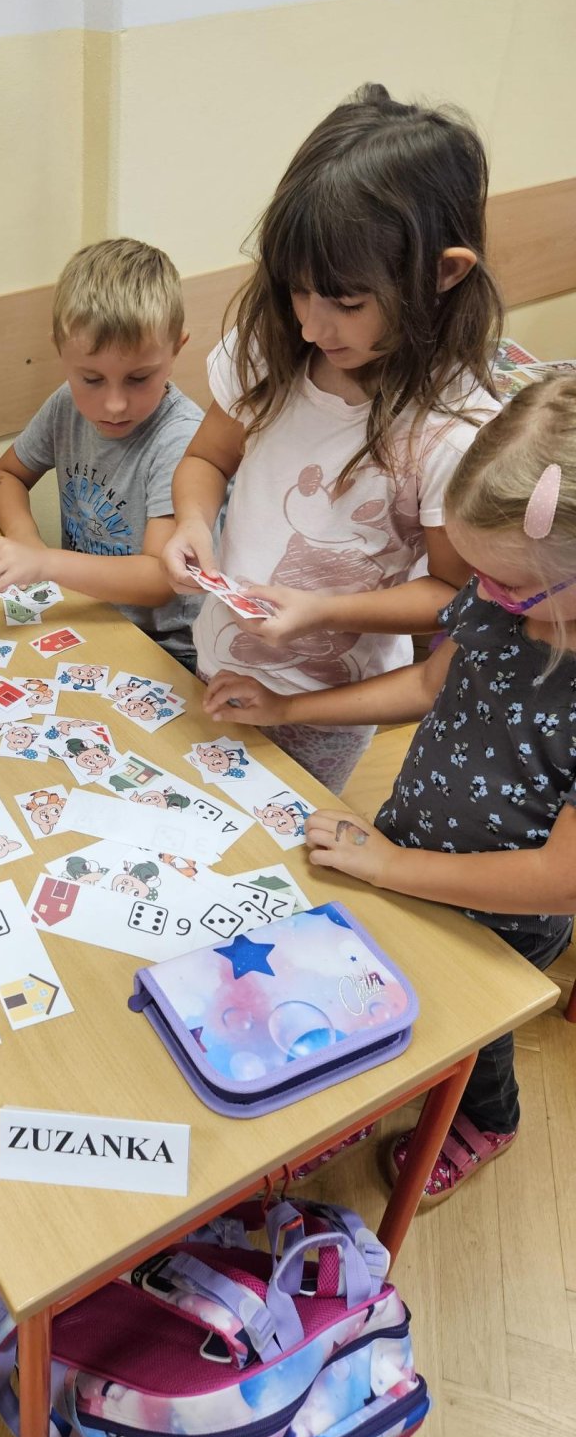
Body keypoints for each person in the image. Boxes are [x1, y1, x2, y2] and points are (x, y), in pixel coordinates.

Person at [203, 376, 576, 1203]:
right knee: (378, 982)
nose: (486, 597)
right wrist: (285, 707)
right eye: (479, 579)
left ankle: (489, 1118)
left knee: (471, 1031)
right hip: (405, 848)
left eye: (510, 585)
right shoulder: (502, 601)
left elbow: (561, 878)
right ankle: (383, 1083)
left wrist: (391, 866)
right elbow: (426, 686)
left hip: (502, 919)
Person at [163, 83, 504, 793]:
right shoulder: (271, 348)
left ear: (443, 273)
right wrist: (192, 522)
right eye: (298, 290)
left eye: (347, 302)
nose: (312, 326)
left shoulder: (452, 431)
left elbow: (450, 592)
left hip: (326, 708)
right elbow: (207, 458)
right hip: (216, 661)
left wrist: (324, 611)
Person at [0, 238, 203, 672]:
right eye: (91, 379)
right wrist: (26, 541)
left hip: (164, 647)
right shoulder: (65, 405)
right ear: (60, 350)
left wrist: (46, 563)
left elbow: (159, 578)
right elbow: (7, 477)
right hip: (86, 612)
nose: (114, 405)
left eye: (139, 378)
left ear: (176, 350)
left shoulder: (180, 439)